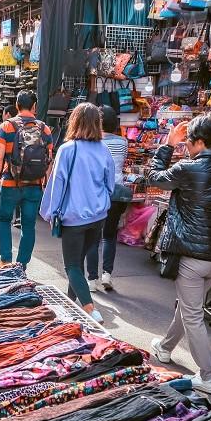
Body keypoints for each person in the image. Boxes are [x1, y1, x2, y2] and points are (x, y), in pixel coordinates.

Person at [145, 114, 211, 395]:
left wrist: (168, 145)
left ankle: (208, 376)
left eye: (189, 142)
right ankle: (166, 348)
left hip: (191, 256)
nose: (187, 147)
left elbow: (153, 177)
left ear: (201, 142)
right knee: (188, 307)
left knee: (192, 315)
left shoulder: (187, 169)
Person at [39, 103, 114, 325]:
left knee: (72, 265)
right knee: (78, 262)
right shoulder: (104, 149)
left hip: (74, 217)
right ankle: (69, 305)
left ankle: (90, 310)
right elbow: (110, 184)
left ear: (75, 121)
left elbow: (57, 184)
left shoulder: (68, 149)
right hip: (98, 217)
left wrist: (49, 212)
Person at [0, 91, 53, 268]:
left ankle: (5, 261)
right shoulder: (44, 129)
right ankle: (22, 265)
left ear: (17, 106)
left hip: (10, 183)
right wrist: (45, 184)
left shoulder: (6, 127)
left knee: (3, 220)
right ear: (34, 107)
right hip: (34, 186)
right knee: (28, 225)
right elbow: (49, 160)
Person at [86, 105, 130, 292]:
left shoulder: (93, 143)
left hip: (97, 192)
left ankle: (92, 279)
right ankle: (107, 275)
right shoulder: (123, 142)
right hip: (117, 192)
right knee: (110, 235)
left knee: (93, 236)